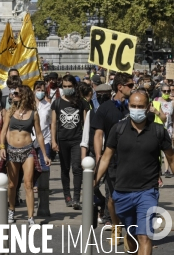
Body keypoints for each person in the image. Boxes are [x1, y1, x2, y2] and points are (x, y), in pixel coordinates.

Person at [95, 89, 174, 255]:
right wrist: (93, 181)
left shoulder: (159, 131)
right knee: (131, 235)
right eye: (133, 106)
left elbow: (171, 158)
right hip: (122, 191)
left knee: (144, 236)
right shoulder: (118, 129)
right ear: (128, 106)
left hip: (148, 191)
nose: (136, 109)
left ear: (148, 107)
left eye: (140, 106)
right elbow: (105, 158)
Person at [0, 85, 51, 225]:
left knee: (28, 184)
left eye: (16, 93)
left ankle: (30, 217)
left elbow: (39, 135)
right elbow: (3, 131)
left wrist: (45, 155)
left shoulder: (34, 114)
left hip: (27, 150)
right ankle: (11, 209)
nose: (13, 95)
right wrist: (2, 146)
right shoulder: (10, 112)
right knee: (11, 184)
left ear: (24, 96)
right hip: (12, 151)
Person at [91, 71, 133, 238]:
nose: (132, 88)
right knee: (112, 196)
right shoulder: (105, 108)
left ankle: (130, 228)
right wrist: (98, 155)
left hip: (132, 159)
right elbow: (98, 134)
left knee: (132, 196)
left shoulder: (134, 105)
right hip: (113, 159)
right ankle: (116, 226)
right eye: (130, 85)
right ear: (120, 87)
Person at [51, 74, 87, 210]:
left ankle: (77, 198)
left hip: (77, 140)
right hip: (62, 140)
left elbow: (85, 123)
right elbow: (53, 123)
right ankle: (67, 196)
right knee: (65, 169)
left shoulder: (81, 102)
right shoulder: (57, 103)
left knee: (77, 168)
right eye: (64, 86)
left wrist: (85, 142)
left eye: (69, 86)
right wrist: (54, 141)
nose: (67, 89)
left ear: (74, 86)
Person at [32, 80, 52, 218]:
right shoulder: (28, 105)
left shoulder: (48, 106)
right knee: (31, 170)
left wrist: (53, 141)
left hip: (45, 140)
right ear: (33, 90)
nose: (40, 91)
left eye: (42, 89)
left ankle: (44, 206)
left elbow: (51, 124)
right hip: (30, 140)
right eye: (38, 89)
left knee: (44, 169)